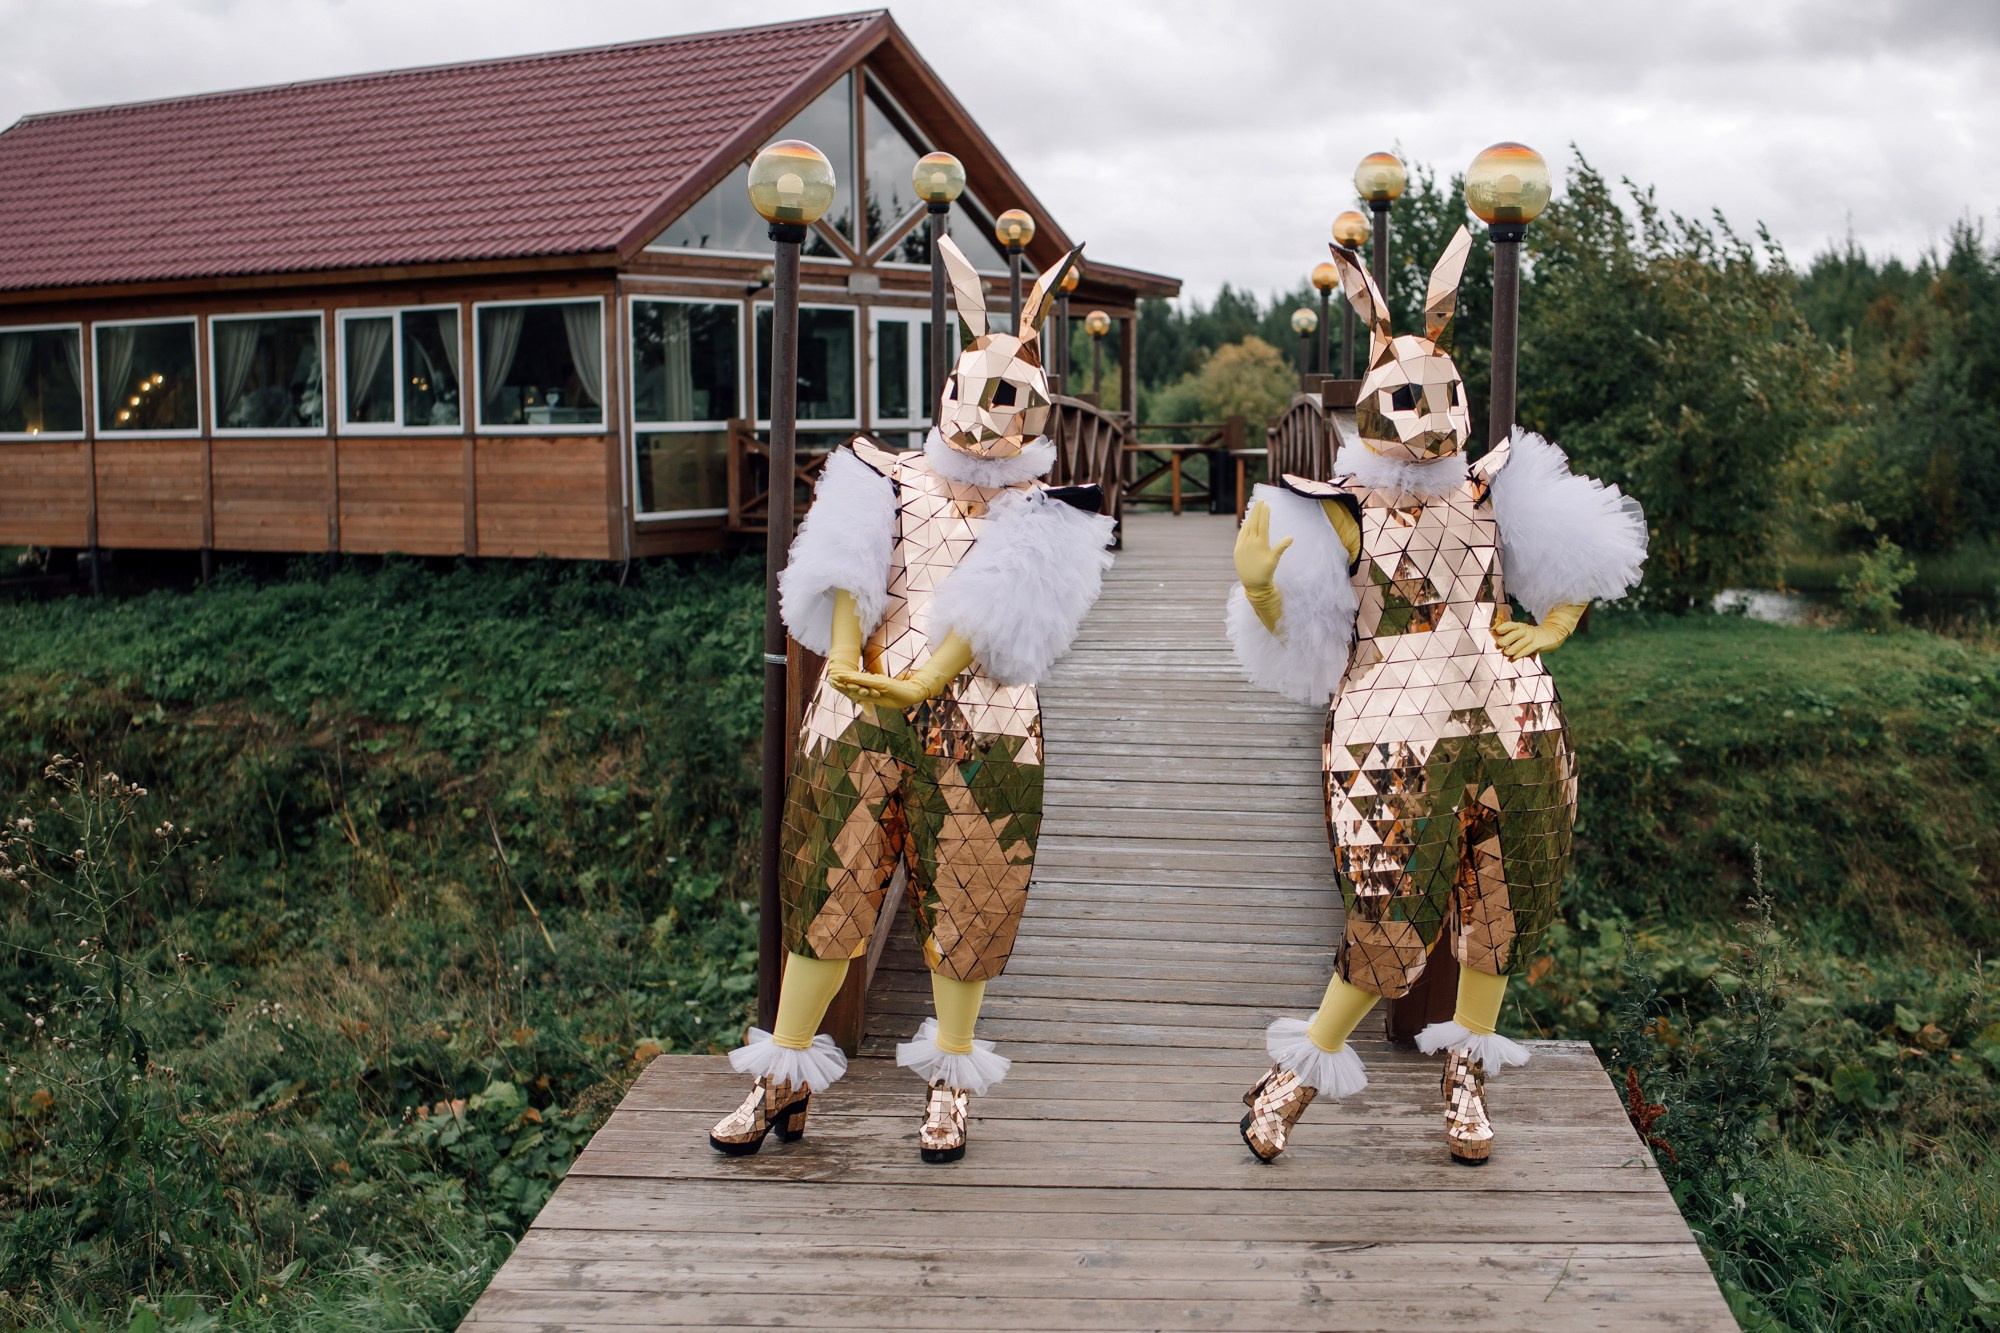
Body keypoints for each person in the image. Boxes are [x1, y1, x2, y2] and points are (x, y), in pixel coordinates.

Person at [1229, 227, 1648, 1164]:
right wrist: (1260, 584)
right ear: (1375, 405)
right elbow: (1299, 632)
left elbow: (1588, 549)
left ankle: (1465, 1076)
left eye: (1442, 397)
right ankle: (1297, 1071)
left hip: (1514, 716)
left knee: (1504, 899)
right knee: (1389, 912)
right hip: (1390, 730)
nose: (1428, 418)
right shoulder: (1342, 507)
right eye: (1407, 399)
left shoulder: (1492, 489)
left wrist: (1557, 625)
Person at [709, 238, 1114, 1163]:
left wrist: (932, 677)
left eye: (1008, 403)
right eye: (976, 396)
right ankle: (782, 1077)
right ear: (947, 392)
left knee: (970, 891)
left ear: (1038, 412)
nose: (984, 420)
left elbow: (1004, 606)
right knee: (825, 882)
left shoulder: (1050, 509)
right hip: (859, 711)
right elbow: (847, 575)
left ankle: (950, 1080)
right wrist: (849, 659)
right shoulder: (881, 474)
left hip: (985, 725)